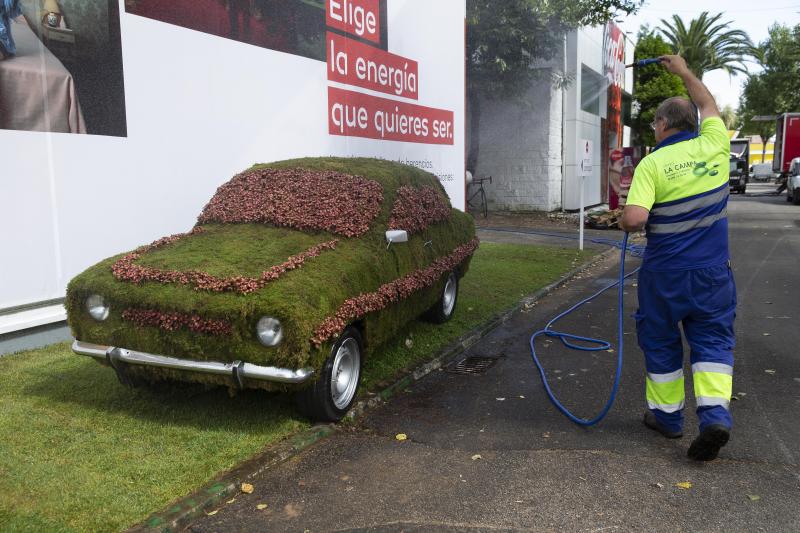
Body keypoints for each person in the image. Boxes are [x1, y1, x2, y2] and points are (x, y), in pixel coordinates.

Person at [620, 55, 736, 461]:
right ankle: (715, 417)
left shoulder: (652, 164)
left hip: (665, 275)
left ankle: (668, 419)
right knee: (713, 341)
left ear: (662, 125)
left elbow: (636, 219)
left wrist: (624, 216)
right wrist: (685, 72)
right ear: (693, 124)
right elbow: (708, 104)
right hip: (712, 275)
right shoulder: (715, 143)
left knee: (660, 341)